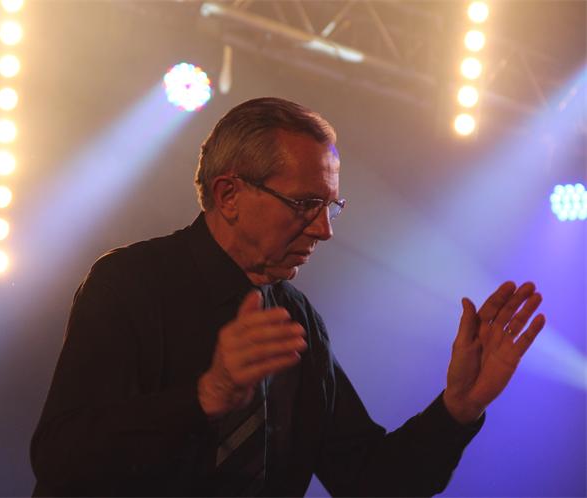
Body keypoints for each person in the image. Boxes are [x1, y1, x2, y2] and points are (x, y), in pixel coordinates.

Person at [30, 97, 545, 497]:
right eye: (305, 204)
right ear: (229, 195)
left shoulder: (298, 320)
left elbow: (368, 480)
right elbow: (60, 458)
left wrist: (459, 408)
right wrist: (205, 396)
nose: (324, 230)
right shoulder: (130, 283)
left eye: (331, 206)